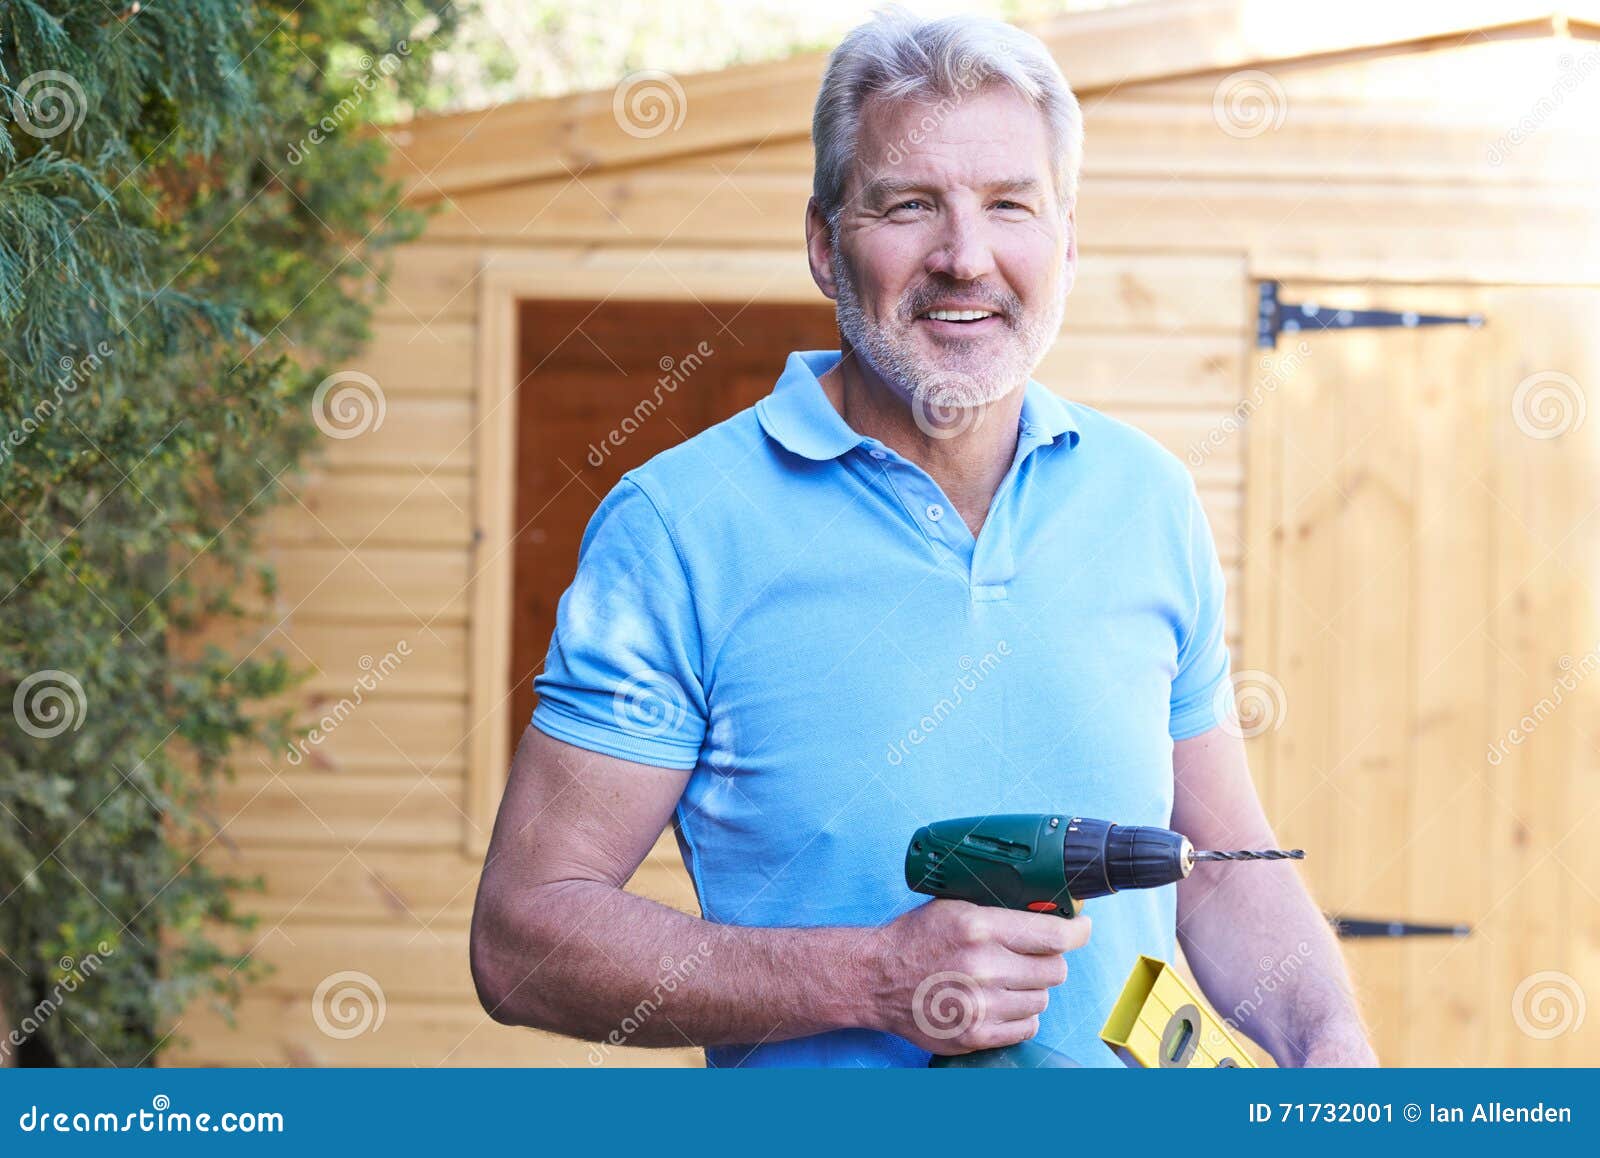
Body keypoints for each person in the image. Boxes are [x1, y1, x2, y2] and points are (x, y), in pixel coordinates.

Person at [469, 6, 1378, 1069]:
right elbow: (523, 940)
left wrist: (1332, 1049)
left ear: (1068, 244)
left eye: (1010, 205)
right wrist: (869, 978)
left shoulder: (1147, 501)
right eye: (909, 205)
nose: (964, 257)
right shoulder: (682, 527)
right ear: (825, 243)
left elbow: (1218, 868)